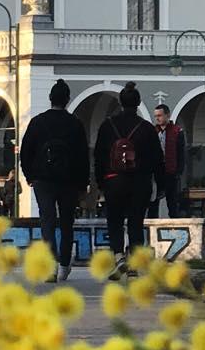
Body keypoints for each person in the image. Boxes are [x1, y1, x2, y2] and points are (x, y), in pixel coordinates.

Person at [18, 79, 90, 281]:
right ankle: (64, 264)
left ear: (50, 99)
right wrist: (83, 184)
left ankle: (50, 265)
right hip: (69, 181)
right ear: (67, 100)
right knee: (67, 223)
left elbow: (25, 152)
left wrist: (30, 176)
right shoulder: (75, 124)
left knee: (47, 221)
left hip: (43, 180)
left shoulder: (38, 122)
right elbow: (83, 156)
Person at [94, 82, 164, 274]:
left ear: (120, 102)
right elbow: (158, 158)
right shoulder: (147, 128)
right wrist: (160, 184)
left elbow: (99, 156)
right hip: (140, 182)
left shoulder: (107, 126)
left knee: (114, 220)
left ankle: (118, 256)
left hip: (114, 181)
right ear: (138, 102)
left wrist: (101, 182)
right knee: (136, 221)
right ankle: (134, 263)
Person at [152, 96, 186, 216]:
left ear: (167, 115)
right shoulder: (153, 131)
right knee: (153, 201)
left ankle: (174, 226)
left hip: (171, 171)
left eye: (160, 115)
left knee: (172, 201)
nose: (157, 118)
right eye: (156, 116)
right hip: (156, 172)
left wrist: (178, 171)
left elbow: (181, 153)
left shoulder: (177, 131)